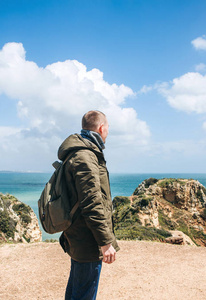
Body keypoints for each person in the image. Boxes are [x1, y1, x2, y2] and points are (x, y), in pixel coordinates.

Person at [58, 110, 119, 300]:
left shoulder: (81, 152)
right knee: (84, 292)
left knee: (77, 289)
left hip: (78, 232)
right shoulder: (86, 156)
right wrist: (105, 242)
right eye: (107, 128)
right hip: (87, 237)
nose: (108, 132)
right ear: (102, 128)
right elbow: (92, 203)